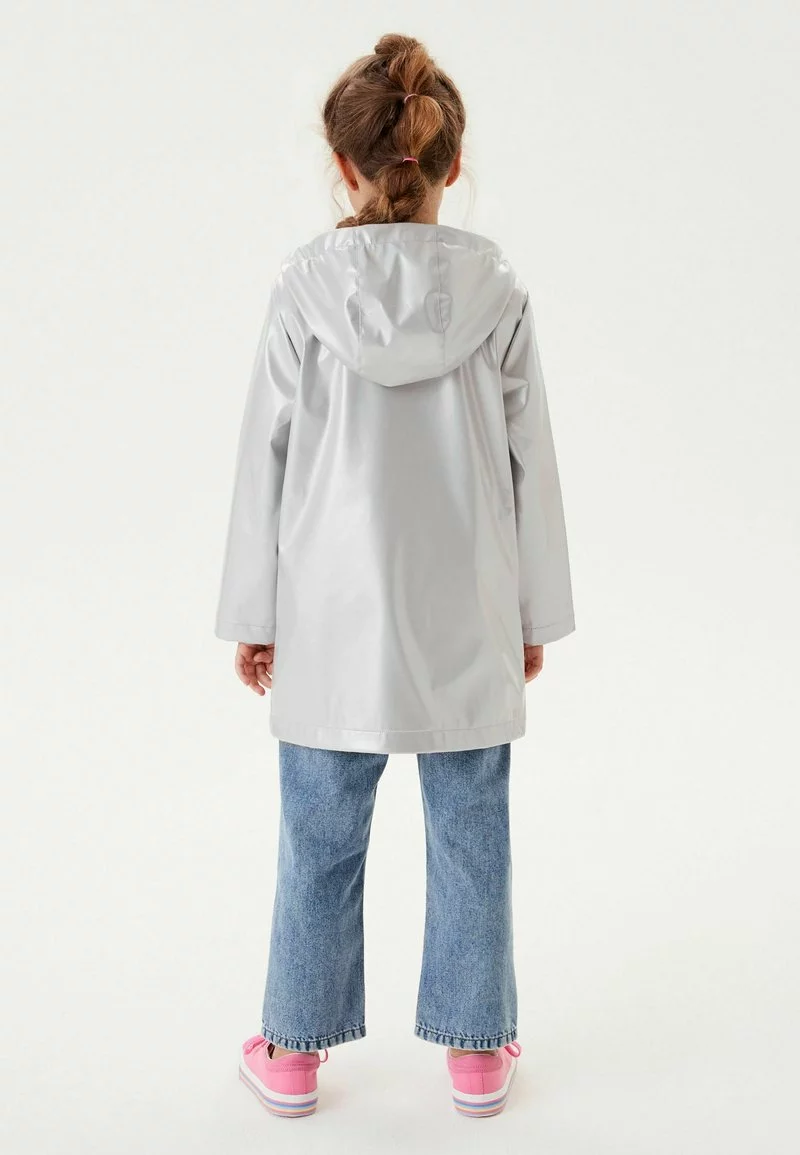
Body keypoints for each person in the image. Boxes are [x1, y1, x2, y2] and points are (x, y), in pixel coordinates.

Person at [215, 32, 575, 1120]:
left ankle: (289, 1051)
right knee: (472, 834)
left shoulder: (303, 289)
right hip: (465, 604)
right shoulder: (496, 291)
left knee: (318, 834)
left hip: (329, 614)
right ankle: (476, 1052)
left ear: (344, 165)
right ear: (451, 164)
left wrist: (255, 612)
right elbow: (531, 464)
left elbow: (265, 458)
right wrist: (531, 613)